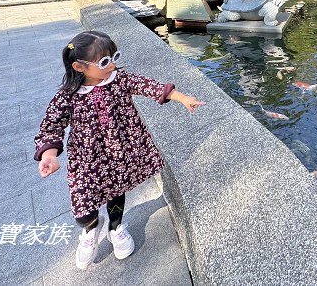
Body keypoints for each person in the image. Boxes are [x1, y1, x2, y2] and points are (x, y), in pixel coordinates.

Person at [34, 31, 204, 271]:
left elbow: (149, 86)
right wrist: (49, 155)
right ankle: (90, 229)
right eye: (104, 61)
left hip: (118, 154)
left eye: (114, 57)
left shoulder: (119, 79)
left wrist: (182, 97)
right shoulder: (67, 97)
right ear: (79, 67)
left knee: (116, 191)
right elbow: (51, 126)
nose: (112, 64)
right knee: (83, 204)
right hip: (86, 160)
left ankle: (116, 227)